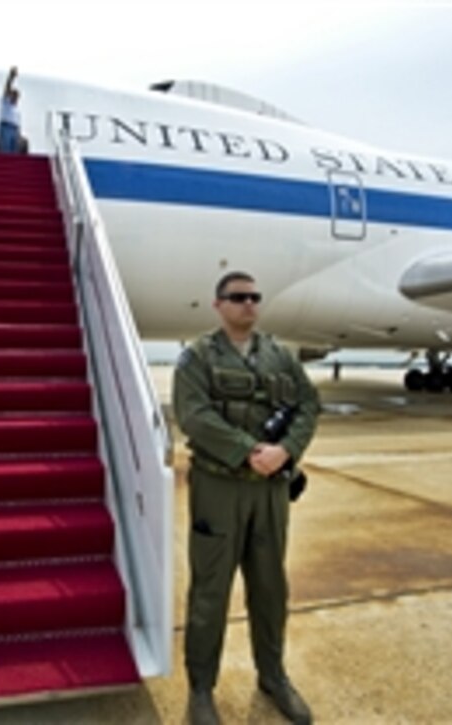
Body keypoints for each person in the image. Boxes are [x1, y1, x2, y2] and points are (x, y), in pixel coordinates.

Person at [172, 271, 320, 725]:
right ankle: (201, 689)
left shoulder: (280, 355)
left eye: (255, 297)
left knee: (271, 588)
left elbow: (310, 405)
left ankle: (273, 676)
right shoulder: (197, 356)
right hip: (220, 487)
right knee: (210, 591)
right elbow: (192, 415)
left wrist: (286, 451)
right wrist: (248, 450)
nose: (249, 304)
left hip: (271, 492)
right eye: (238, 297)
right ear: (219, 305)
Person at [0, 65, 21, 153]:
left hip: (14, 129)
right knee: (5, 150)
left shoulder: (17, 110)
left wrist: (18, 135)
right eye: (14, 95)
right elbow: (7, 87)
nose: (15, 98)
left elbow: (18, 123)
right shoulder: (5, 102)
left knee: (14, 152)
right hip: (6, 127)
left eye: (17, 96)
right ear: (10, 95)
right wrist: (11, 76)